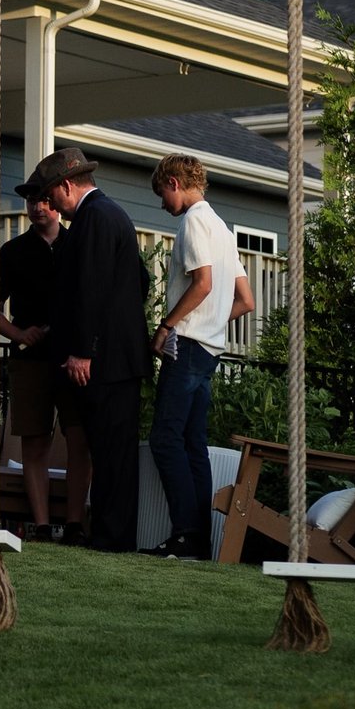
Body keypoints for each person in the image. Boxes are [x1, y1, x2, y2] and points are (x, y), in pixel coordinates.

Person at [146, 155, 256, 558]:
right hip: (210, 350)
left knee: (165, 438)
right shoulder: (224, 230)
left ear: (173, 183)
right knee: (193, 444)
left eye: (162, 194)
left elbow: (203, 283)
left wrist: (167, 325)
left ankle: (185, 534)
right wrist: (210, 322)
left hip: (188, 346)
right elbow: (246, 301)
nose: (162, 203)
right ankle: (198, 539)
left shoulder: (192, 221)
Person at [42, 147, 147, 552]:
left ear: (67, 185)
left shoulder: (94, 219)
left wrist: (84, 350)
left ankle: (112, 537)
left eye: (53, 195)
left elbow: (92, 288)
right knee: (112, 451)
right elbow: (138, 281)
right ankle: (112, 533)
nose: (51, 205)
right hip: (118, 357)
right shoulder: (112, 215)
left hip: (107, 362)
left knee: (112, 453)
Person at [0, 167, 86, 543]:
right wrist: (19, 332)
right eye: (32, 200)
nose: (38, 207)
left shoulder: (77, 244)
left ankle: (75, 523)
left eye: (45, 200)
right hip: (30, 358)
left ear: (57, 203)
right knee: (35, 441)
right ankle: (43, 524)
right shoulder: (13, 251)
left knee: (79, 437)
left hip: (71, 356)